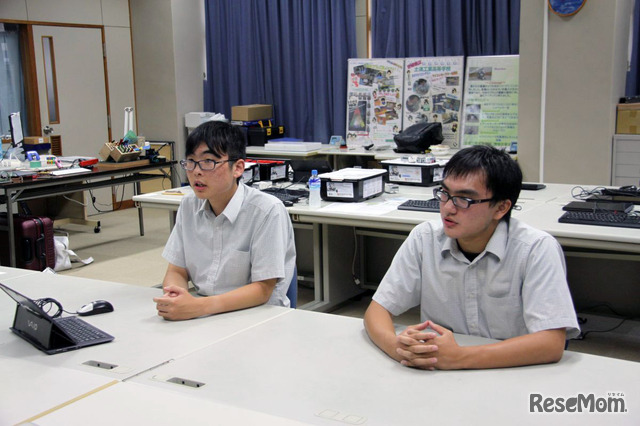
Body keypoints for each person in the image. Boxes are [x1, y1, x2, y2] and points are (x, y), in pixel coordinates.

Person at [364, 145, 579, 370]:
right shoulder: (425, 238)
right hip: (438, 372)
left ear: (501, 208)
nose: (448, 208)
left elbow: (551, 343)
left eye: (464, 199)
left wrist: (461, 357)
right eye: (444, 193)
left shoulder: (536, 249)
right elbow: (377, 310)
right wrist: (399, 349)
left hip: (514, 370)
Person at [154, 121, 296, 320]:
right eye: (191, 162)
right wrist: (175, 296)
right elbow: (177, 269)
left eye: (208, 162)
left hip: (256, 317)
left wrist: (199, 307)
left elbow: (263, 289)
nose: (197, 171)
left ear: (238, 168)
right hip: (205, 312)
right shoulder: (188, 206)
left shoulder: (266, 211)